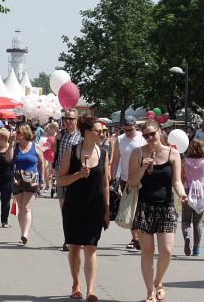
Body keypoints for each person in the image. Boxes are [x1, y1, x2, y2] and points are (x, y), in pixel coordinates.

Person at [128, 120, 187, 302]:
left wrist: (182, 194)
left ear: (160, 131)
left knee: (167, 251)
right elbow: (132, 182)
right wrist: (143, 167)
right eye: (145, 136)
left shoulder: (173, 154)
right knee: (147, 252)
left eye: (152, 134)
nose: (149, 138)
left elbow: (176, 181)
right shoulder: (137, 153)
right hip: (145, 207)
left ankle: (158, 282)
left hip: (166, 206)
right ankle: (150, 293)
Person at [58, 116, 110, 302]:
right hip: (74, 205)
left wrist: (107, 208)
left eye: (102, 131)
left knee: (91, 247)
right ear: (87, 132)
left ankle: (91, 291)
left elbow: (105, 184)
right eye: (98, 131)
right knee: (74, 247)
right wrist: (78, 175)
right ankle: (75, 285)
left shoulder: (103, 153)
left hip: (95, 206)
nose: (101, 134)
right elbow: (60, 180)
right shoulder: (72, 152)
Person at [110, 115, 146, 250]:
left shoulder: (143, 138)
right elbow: (115, 161)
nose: (129, 133)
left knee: (141, 208)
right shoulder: (119, 140)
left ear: (135, 126)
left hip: (143, 179)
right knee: (130, 208)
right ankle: (135, 238)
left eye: (130, 130)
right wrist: (113, 180)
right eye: (126, 130)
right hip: (126, 179)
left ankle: (142, 236)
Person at [6, 123, 45, 244]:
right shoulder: (15, 146)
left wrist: (42, 179)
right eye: (16, 132)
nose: (16, 134)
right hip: (18, 180)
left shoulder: (36, 147)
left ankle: (25, 234)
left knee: (26, 208)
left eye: (18, 132)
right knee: (21, 209)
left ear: (25, 133)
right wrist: (11, 144)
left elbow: (41, 163)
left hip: (32, 181)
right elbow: (8, 159)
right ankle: (23, 231)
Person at [56, 108, 82, 251]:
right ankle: (68, 239)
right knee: (65, 210)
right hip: (61, 177)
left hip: (75, 177)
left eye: (70, 119)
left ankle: (77, 237)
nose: (67, 121)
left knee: (76, 209)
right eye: (65, 119)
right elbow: (56, 156)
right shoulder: (61, 136)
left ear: (76, 120)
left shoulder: (81, 137)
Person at [181, 138, 204, 257]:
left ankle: (187, 236)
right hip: (202, 192)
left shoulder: (185, 161)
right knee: (198, 221)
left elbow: (181, 177)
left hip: (188, 191)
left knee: (186, 220)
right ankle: (196, 249)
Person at [42, 122, 59, 192]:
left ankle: (53, 186)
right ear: (52, 127)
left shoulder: (57, 135)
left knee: (53, 172)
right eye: (56, 126)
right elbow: (42, 143)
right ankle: (47, 185)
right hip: (45, 154)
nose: (58, 128)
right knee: (46, 171)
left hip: (54, 155)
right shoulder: (46, 134)